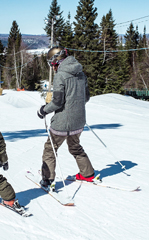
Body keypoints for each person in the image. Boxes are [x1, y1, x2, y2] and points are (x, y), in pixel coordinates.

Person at [37, 46, 95, 191]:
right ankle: (87, 173)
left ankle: (47, 179)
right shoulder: (80, 73)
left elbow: (57, 102)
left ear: (55, 60)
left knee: (50, 149)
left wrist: (43, 110)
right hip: (79, 120)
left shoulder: (60, 76)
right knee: (75, 147)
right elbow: (86, 97)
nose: (52, 67)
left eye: (52, 63)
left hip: (62, 123)